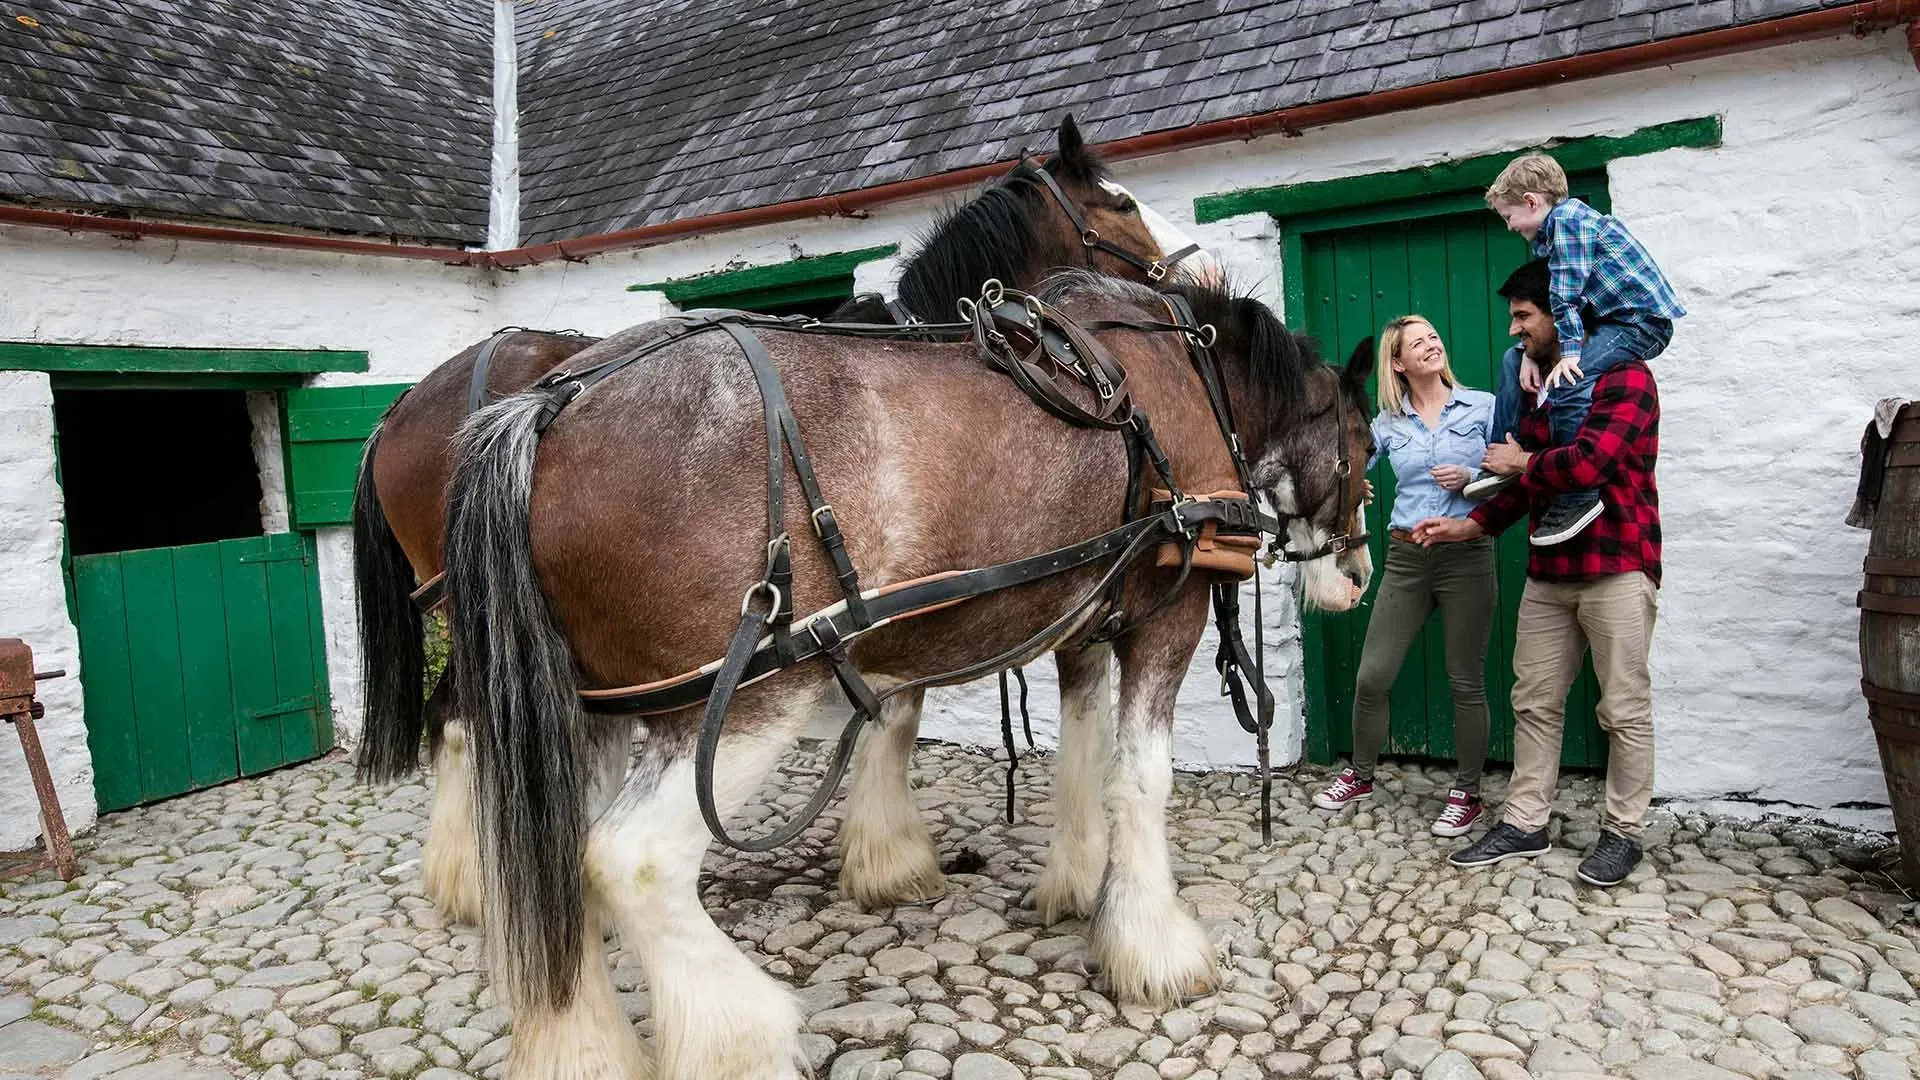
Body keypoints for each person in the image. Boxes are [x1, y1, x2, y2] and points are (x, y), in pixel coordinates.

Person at [1413, 257, 1663, 888]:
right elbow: (1523, 483)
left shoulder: (1627, 377)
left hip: (1618, 564)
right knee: (1534, 702)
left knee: (1623, 708)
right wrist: (1472, 525)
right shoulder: (1540, 386)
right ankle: (1525, 822)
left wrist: (1523, 459)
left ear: (1563, 314)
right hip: (1550, 569)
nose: (1516, 329)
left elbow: (1590, 464)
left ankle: (1623, 832)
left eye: (1524, 316)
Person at [1312, 316, 1496, 839]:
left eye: (1435, 337)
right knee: (1373, 675)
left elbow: (1511, 474)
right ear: (1399, 363)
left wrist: (1473, 479)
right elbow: (1352, 469)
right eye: (1419, 343)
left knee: (1465, 679)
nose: (1432, 345)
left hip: (1466, 554)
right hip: (1407, 557)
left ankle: (1467, 793)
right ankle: (1361, 774)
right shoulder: (1389, 425)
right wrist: (1357, 491)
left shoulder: (1481, 406)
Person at [1464, 153, 1684, 549]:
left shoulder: (1570, 220)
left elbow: (1564, 296)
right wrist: (1528, 351)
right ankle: (1501, 456)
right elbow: (1547, 304)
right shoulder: (1548, 239)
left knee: (1569, 380)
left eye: (1508, 215)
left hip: (1639, 323)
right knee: (1513, 358)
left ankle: (1578, 497)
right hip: (1609, 321)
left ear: (1532, 202)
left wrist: (1568, 354)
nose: (1509, 226)